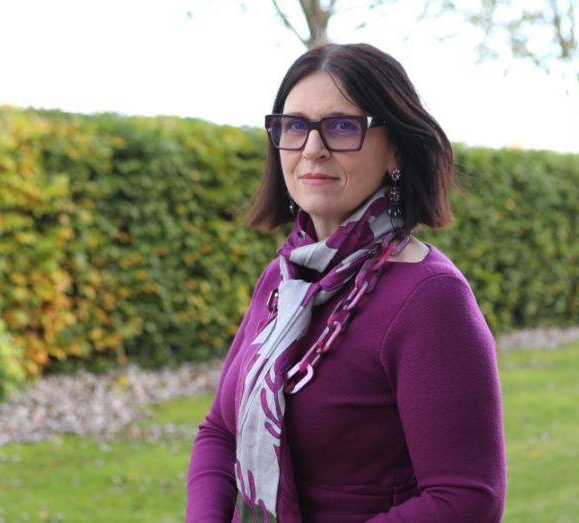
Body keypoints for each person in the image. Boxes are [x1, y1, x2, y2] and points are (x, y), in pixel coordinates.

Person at [186, 43, 506, 523]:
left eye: (341, 126)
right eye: (294, 126)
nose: (312, 148)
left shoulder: (430, 298)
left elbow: (464, 500)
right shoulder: (284, 279)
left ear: (395, 147)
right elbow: (220, 431)